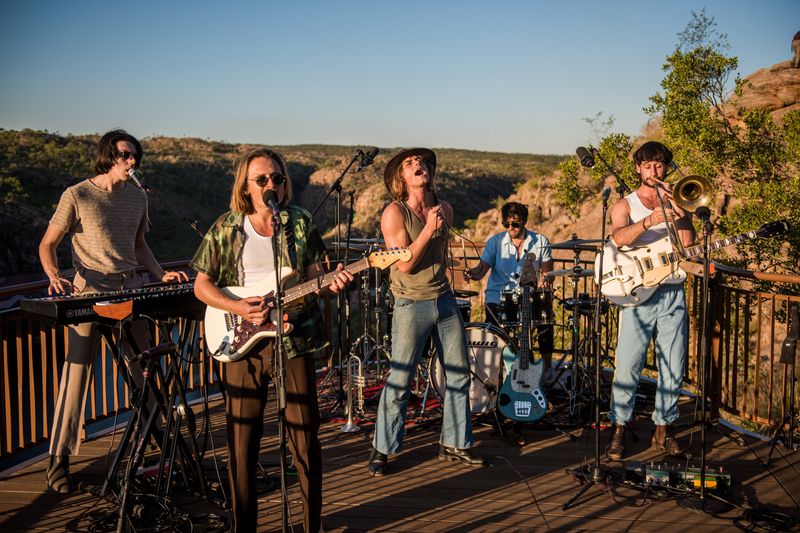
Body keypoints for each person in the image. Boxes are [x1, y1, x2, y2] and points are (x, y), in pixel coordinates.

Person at [191, 148, 352, 532]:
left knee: (304, 437)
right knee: (242, 442)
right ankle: (242, 526)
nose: (271, 185)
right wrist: (238, 306)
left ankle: (311, 525)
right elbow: (201, 285)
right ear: (245, 187)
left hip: (292, 339)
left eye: (277, 179)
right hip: (241, 342)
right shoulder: (227, 226)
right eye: (262, 179)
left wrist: (332, 284)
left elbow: (315, 278)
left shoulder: (299, 222)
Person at [38, 129, 188, 493]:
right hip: (88, 290)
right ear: (108, 156)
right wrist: (55, 276)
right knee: (77, 371)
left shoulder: (138, 197)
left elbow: (139, 244)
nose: (132, 161)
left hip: (129, 287)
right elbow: (48, 243)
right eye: (125, 155)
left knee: (144, 365)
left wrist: (160, 273)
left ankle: (157, 438)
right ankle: (59, 457)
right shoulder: (77, 195)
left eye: (135, 155)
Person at [368, 148, 487, 477]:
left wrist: (435, 224)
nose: (417, 165)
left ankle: (455, 442)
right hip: (410, 303)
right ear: (401, 179)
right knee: (401, 378)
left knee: (459, 373)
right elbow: (405, 264)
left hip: (444, 300)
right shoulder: (394, 213)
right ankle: (383, 448)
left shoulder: (444, 209)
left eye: (421, 162)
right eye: (409, 164)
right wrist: (427, 231)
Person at [606, 141, 694, 460]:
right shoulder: (625, 205)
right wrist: (650, 220)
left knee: (673, 364)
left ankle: (664, 429)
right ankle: (619, 428)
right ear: (638, 168)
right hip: (639, 293)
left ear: (665, 168)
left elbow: (687, 243)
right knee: (628, 364)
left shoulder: (676, 200)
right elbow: (618, 238)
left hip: (672, 289)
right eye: (647, 166)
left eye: (659, 166)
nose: (653, 171)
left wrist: (678, 211)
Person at [464, 201, 554, 371]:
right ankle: (493, 370)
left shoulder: (541, 241)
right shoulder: (494, 242)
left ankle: (546, 370)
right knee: (492, 331)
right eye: (507, 224)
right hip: (498, 295)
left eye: (515, 223)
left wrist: (544, 281)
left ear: (525, 221)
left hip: (528, 296)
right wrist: (471, 273)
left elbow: (548, 274)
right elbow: (481, 270)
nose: (511, 227)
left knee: (545, 320)